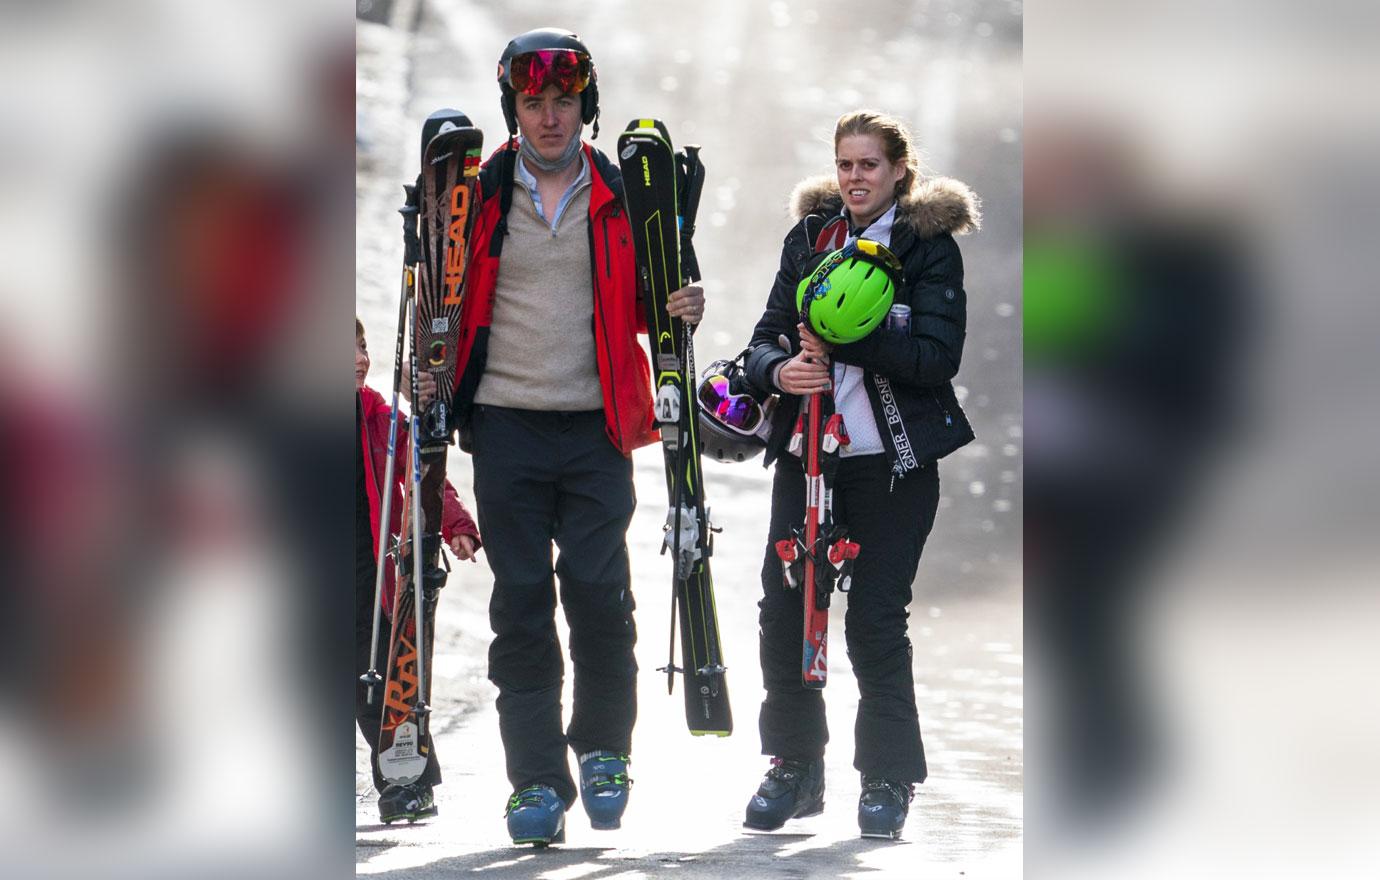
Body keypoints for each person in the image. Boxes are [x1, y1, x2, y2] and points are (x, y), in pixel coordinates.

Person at [443, 28, 704, 845]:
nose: (549, 118)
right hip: (507, 426)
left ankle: (602, 750)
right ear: (512, 108)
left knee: (599, 598)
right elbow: (443, 299)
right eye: (532, 103)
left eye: (563, 101)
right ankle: (535, 784)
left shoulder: (627, 196)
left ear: (586, 105)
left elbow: (648, 302)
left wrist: (683, 305)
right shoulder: (478, 199)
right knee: (521, 606)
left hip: (598, 430)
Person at [741, 110, 980, 840]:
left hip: (896, 466)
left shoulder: (927, 248)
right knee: (784, 612)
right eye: (845, 164)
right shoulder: (811, 238)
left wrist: (856, 336)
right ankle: (794, 765)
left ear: (899, 171)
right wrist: (779, 368)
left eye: (869, 165)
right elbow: (764, 339)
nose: (854, 178)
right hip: (809, 459)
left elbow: (938, 359)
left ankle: (886, 777)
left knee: (875, 621)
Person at [355, 317, 480, 823]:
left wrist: (455, 524)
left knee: (380, 688)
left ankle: (407, 779)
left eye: (362, 346)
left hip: (371, 579)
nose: (361, 359)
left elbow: (426, 474)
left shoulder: (382, 421)